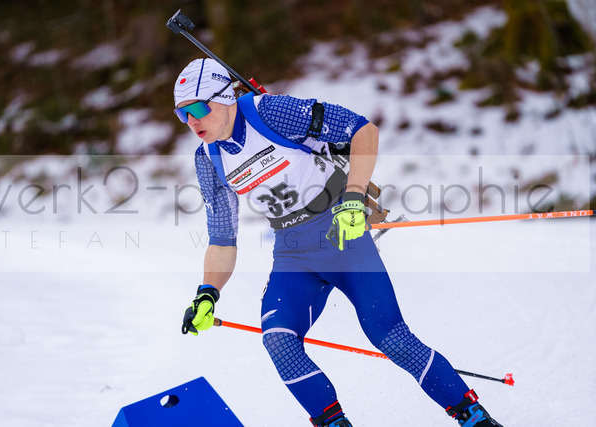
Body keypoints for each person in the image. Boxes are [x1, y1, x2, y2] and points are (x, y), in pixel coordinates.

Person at [176, 58, 502, 427]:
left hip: (341, 231)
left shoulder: (270, 112)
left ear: (225, 97)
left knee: (390, 337)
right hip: (292, 251)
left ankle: (472, 415)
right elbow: (222, 238)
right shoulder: (208, 158)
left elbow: (363, 130)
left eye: (197, 109)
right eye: (182, 114)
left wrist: (354, 197)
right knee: (279, 339)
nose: (191, 121)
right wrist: (208, 293)